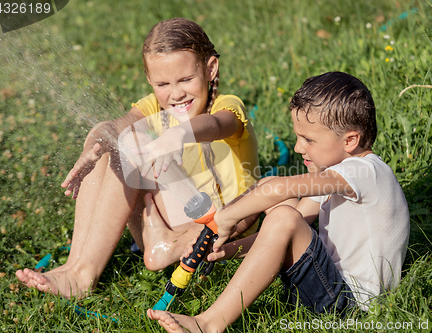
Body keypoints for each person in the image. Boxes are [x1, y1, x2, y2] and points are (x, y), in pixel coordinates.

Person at [147, 72, 410, 333]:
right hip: (328, 288)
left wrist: (225, 218)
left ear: (350, 140)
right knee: (281, 211)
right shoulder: (339, 176)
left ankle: (207, 324)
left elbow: (277, 193)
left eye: (308, 139)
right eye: (298, 137)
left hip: (354, 307)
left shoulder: (365, 171)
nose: (298, 148)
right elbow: (284, 230)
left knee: (281, 210)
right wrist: (227, 250)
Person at [15, 17, 260, 298]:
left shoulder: (226, 106)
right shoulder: (153, 106)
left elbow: (217, 125)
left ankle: (83, 276)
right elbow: (116, 127)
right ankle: (76, 264)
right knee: (111, 137)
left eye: (186, 79)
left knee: (132, 142)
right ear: (149, 80)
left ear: (210, 69)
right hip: (168, 225)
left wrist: (179, 134)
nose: (176, 93)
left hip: (216, 233)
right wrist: (92, 146)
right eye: (163, 83)